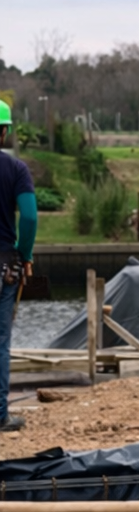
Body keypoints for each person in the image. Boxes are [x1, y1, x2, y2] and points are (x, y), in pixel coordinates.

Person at [0, 98, 37, 432]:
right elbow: (28, 216)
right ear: (4, 132)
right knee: (0, 340)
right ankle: (0, 415)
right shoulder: (16, 170)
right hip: (3, 265)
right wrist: (24, 254)